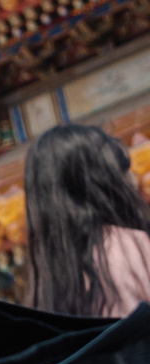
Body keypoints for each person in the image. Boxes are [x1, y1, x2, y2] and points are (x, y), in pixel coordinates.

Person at [23, 120, 150, 318]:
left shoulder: (47, 282)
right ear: (103, 182)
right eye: (123, 170)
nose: (133, 178)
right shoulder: (134, 245)